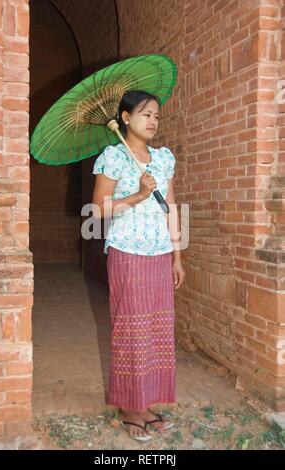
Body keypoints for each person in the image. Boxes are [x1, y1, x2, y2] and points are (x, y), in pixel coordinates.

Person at [91, 90, 185, 442]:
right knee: (130, 329)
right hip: (127, 252)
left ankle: (144, 403)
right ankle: (129, 407)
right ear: (126, 119)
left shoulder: (163, 159)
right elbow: (98, 209)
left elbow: (171, 208)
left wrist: (178, 255)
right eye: (146, 114)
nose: (153, 121)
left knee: (155, 329)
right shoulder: (114, 157)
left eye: (157, 116)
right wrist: (138, 195)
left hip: (160, 254)